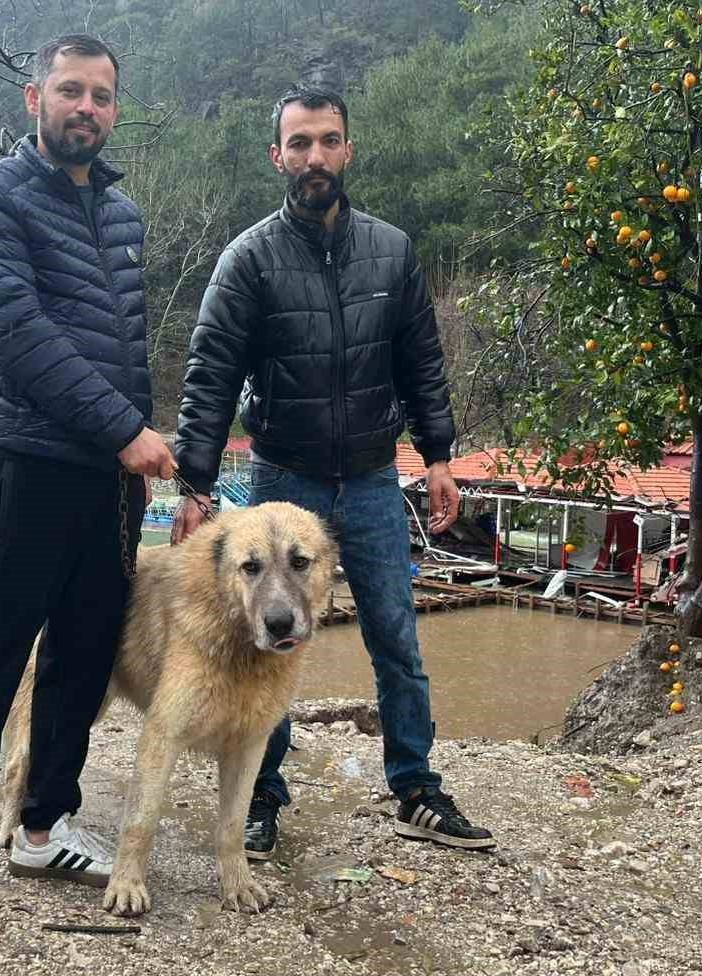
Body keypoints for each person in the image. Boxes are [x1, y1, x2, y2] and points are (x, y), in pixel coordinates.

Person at [170, 86, 495, 860]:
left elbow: (421, 363)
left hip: (374, 479)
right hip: (285, 483)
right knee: (264, 640)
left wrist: (439, 457)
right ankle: (260, 794)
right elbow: (211, 375)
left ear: (348, 149)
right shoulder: (249, 259)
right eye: (300, 143)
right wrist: (194, 485)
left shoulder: (392, 251)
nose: (314, 156)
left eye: (327, 141)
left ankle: (416, 788)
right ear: (277, 155)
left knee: (396, 639)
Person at [0, 35, 177, 922]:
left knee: (83, 656)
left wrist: (139, 447)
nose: (86, 108)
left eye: (101, 95)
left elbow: (126, 349)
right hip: (22, 465)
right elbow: (16, 331)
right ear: (35, 99)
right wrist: (126, 431)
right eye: (70, 90)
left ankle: (42, 824)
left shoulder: (123, 214)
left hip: (107, 482)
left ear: (114, 109)